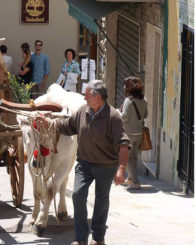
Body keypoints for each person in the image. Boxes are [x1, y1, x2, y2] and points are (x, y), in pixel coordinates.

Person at [36, 80, 130, 245]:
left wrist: (121, 168)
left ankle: (98, 237)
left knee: (101, 200)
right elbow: (66, 126)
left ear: (98, 97)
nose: (84, 98)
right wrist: (48, 122)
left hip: (106, 166)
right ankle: (80, 238)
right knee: (78, 195)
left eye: (87, 95)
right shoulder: (82, 112)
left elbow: (123, 144)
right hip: (84, 164)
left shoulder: (113, 116)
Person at [120, 76, 148, 191]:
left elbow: (125, 117)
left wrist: (118, 113)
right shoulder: (144, 100)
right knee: (134, 158)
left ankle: (135, 183)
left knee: (129, 159)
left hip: (129, 133)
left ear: (129, 89)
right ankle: (131, 179)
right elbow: (145, 115)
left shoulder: (128, 100)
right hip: (139, 133)